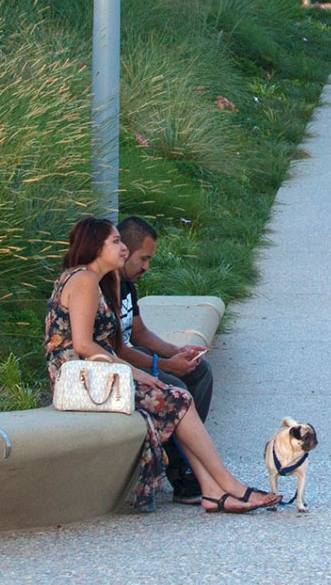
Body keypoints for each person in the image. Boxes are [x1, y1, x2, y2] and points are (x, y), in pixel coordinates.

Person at [44, 217, 280, 514]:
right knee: (179, 398)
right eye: (115, 242)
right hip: (84, 381)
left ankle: (212, 491)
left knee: (178, 397)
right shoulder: (84, 281)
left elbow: (120, 342)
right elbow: (82, 345)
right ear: (95, 246)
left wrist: (164, 360)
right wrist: (137, 373)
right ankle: (228, 486)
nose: (123, 248)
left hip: (99, 375)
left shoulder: (104, 281)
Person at [114, 215, 212, 505]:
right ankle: (182, 473)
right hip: (117, 365)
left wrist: (177, 351)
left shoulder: (128, 285)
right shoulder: (106, 287)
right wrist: (166, 366)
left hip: (133, 356)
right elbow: (117, 350)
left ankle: (187, 458)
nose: (147, 267)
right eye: (143, 258)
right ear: (124, 251)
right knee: (173, 387)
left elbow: (139, 333)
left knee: (200, 371)